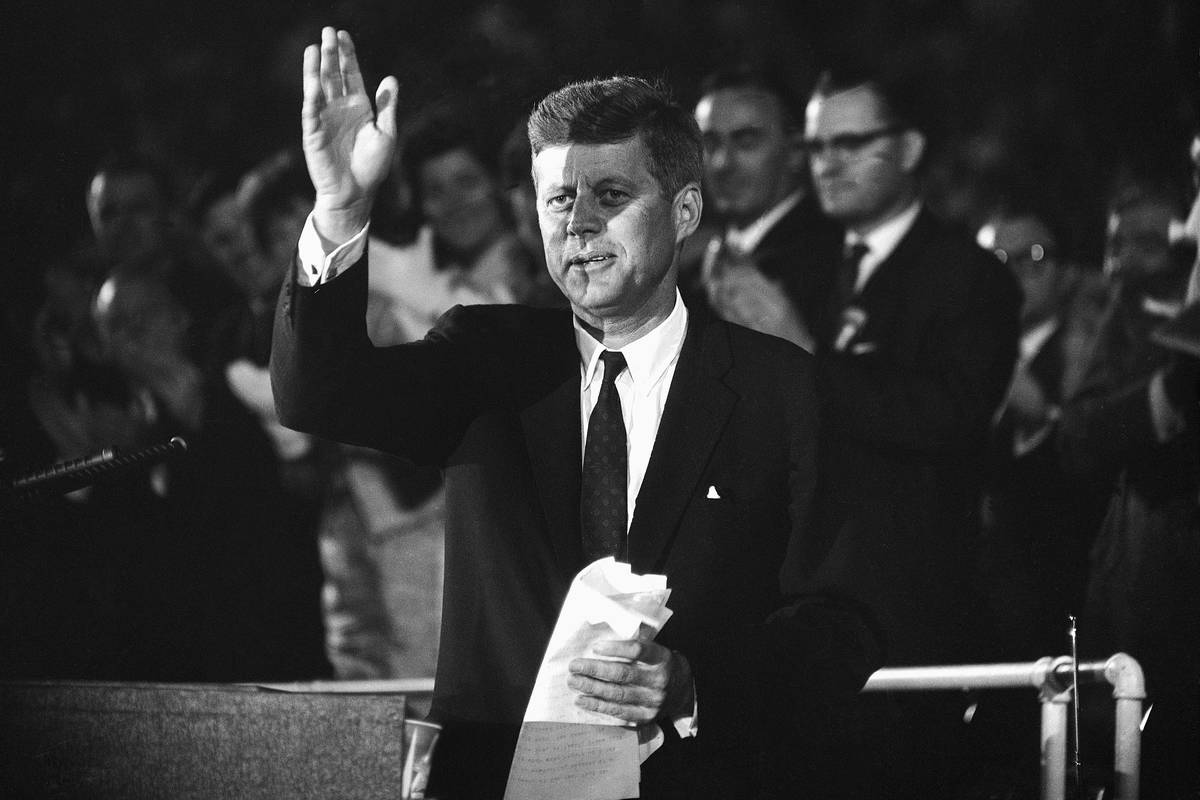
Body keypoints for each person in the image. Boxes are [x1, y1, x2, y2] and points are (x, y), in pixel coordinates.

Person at [273, 28, 885, 799]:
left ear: (684, 210)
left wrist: (692, 682)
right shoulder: (485, 359)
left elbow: (844, 621)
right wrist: (339, 208)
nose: (579, 223)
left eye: (611, 196)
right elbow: (318, 394)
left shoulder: (781, 390)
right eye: (558, 198)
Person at [802, 66, 1021, 796]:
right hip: (802, 612)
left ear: (910, 147)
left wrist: (802, 355)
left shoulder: (969, 277)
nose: (826, 163)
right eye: (816, 146)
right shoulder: (807, 269)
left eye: (849, 143)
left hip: (912, 620)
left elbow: (948, 417)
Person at [974, 210, 1109, 659]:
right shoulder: (964, 357)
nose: (1014, 270)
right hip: (974, 598)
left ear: (1064, 270)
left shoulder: (1090, 353)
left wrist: (1041, 417)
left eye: (1032, 256)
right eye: (998, 258)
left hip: (1056, 600)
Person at [691, 64, 841, 350]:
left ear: (796, 151)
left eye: (746, 142)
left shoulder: (835, 260)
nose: (722, 163)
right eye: (710, 144)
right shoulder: (694, 267)